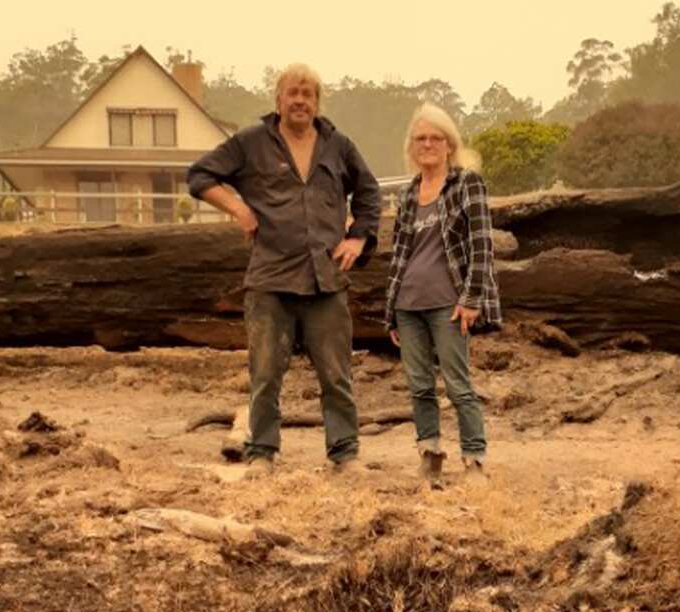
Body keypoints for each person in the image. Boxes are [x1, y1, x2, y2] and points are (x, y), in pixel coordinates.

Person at [187, 63, 381, 478]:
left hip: (325, 281)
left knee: (336, 373)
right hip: (271, 280)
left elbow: (369, 192)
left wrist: (358, 237)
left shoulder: (338, 145)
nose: (300, 101)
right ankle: (262, 454)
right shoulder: (252, 142)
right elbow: (200, 175)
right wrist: (238, 207)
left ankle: (344, 456)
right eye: (292, 92)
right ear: (278, 99)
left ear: (316, 101)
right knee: (265, 374)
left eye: (308, 94)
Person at [384, 103, 501, 486]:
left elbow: (482, 245)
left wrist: (471, 299)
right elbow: (399, 256)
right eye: (421, 138)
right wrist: (390, 312)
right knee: (419, 387)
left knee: (458, 385)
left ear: (449, 144)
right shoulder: (406, 195)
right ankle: (430, 456)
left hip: (449, 305)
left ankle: (475, 461)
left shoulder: (467, 184)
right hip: (408, 305)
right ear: (412, 148)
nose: (428, 144)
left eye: (436, 138)